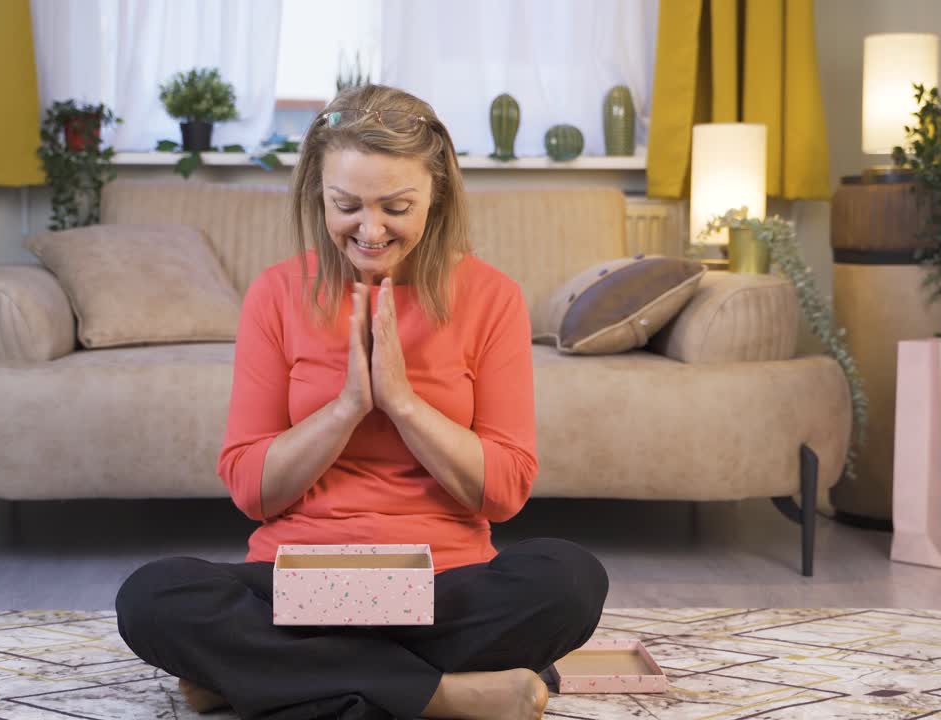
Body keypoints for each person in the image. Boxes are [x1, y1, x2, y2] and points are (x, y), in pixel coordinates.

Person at [115, 84, 608, 720]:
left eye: (397, 207)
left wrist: (402, 403)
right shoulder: (275, 294)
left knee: (569, 582)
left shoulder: (492, 297)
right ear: (316, 194)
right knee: (152, 597)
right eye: (346, 205)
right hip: (297, 585)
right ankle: (445, 695)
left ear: (437, 196)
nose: (370, 230)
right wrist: (348, 406)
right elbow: (251, 491)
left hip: (443, 584)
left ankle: (267, 675)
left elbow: (505, 492)